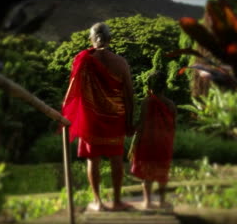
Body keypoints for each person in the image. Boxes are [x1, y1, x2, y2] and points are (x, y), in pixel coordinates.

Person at [62, 22, 134, 211]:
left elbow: (72, 93)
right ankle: (117, 201)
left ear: (91, 40)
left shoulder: (83, 61)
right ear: (110, 39)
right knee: (116, 158)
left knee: (93, 160)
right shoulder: (121, 63)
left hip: (91, 119)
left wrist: (69, 113)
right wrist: (130, 121)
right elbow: (129, 95)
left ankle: (98, 202)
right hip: (115, 118)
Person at [129, 70, 176, 209]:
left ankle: (148, 202)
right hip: (164, 143)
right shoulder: (171, 104)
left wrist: (134, 139)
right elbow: (173, 127)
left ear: (149, 86)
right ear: (164, 86)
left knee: (147, 175)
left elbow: (142, 125)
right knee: (162, 174)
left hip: (147, 143)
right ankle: (161, 201)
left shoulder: (146, 102)